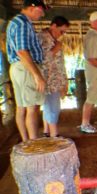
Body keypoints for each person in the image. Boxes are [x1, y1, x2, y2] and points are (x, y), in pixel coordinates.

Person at [6, 0, 48, 141]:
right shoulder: (23, 23)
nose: (42, 15)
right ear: (32, 8)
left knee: (22, 107)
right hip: (25, 67)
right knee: (32, 108)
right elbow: (22, 51)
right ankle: (33, 144)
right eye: (41, 11)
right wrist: (37, 75)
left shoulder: (17, 22)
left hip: (19, 68)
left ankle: (27, 141)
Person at [39, 16, 70, 138]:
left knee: (49, 105)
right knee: (53, 107)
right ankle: (54, 136)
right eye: (61, 31)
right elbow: (41, 59)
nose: (62, 34)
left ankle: (47, 132)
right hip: (49, 79)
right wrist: (55, 49)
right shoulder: (42, 38)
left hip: (54, 79)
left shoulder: (52, 39)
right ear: (53, 26)